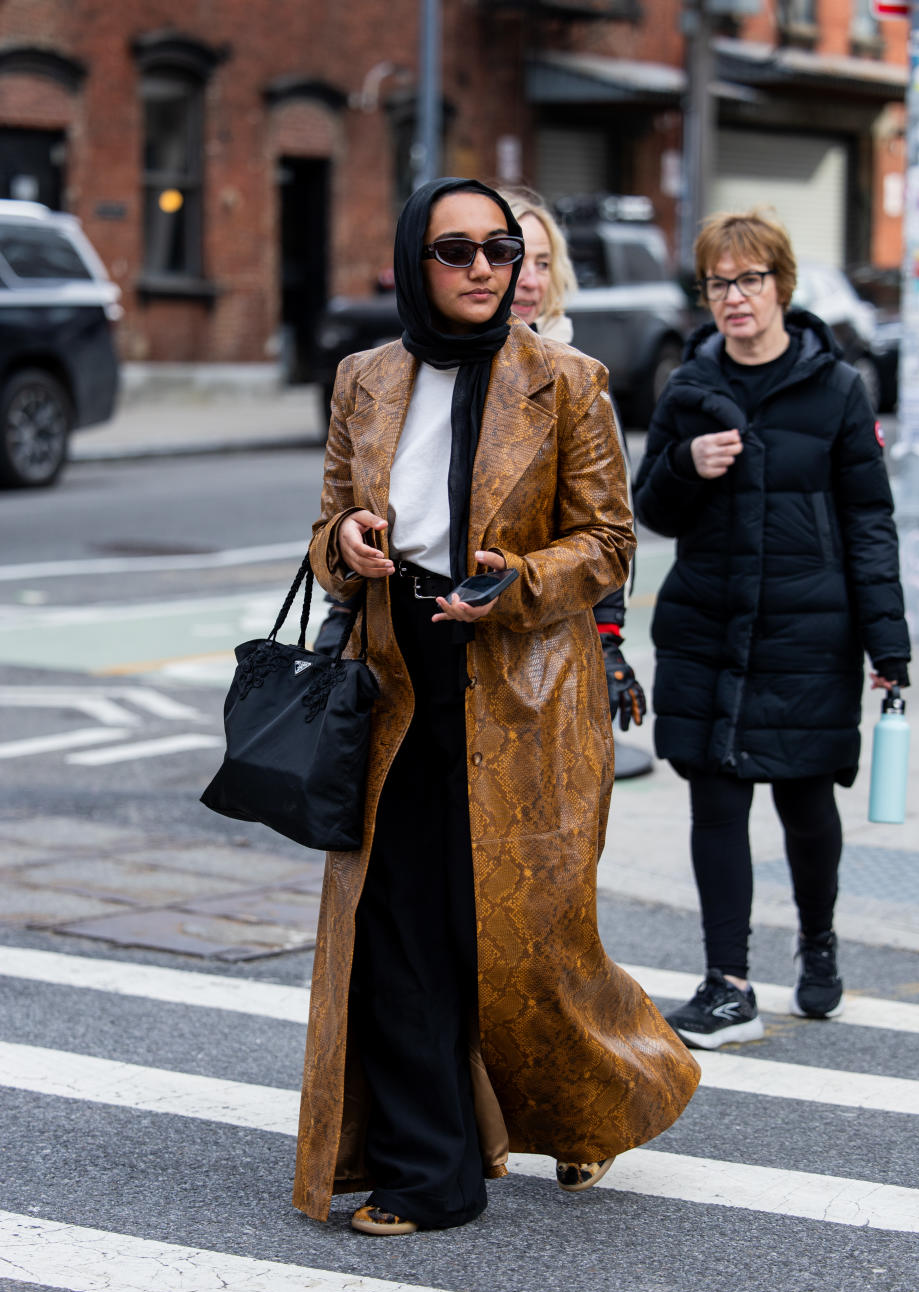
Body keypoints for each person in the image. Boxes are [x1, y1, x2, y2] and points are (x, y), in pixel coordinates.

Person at [294, 177, 699, 1236]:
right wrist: (343, 547)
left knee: (520, 942)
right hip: (394, 678)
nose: (482, 266)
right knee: (395, 929)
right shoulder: (365, 380)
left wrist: (514, 581)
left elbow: (610, 544)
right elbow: (329, 523)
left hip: (520, 691)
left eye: (499, 248)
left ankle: (612, 1091)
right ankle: (432, 1173)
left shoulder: (568, 383)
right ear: (414, 264)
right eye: (456, 249)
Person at [633, 207, 911, 1050]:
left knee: (803, 801)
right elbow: (650, 510)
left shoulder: (835, 390)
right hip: (709, 626)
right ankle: (728, 983)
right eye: (719, 282)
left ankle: (818, 943)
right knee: (715, 803)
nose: (735, 297)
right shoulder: (686, 388)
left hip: (807, 628)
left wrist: (887, 647)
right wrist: (687, 464)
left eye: (750, 279)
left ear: (781, 285)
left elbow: (870, 520)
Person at [501, 187, 650, 769]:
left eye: (544, 263)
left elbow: (607, 526)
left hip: (550, 635)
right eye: (519, 259)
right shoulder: (417, 376)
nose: (532, 279)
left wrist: (608, 641)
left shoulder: (578, 380)